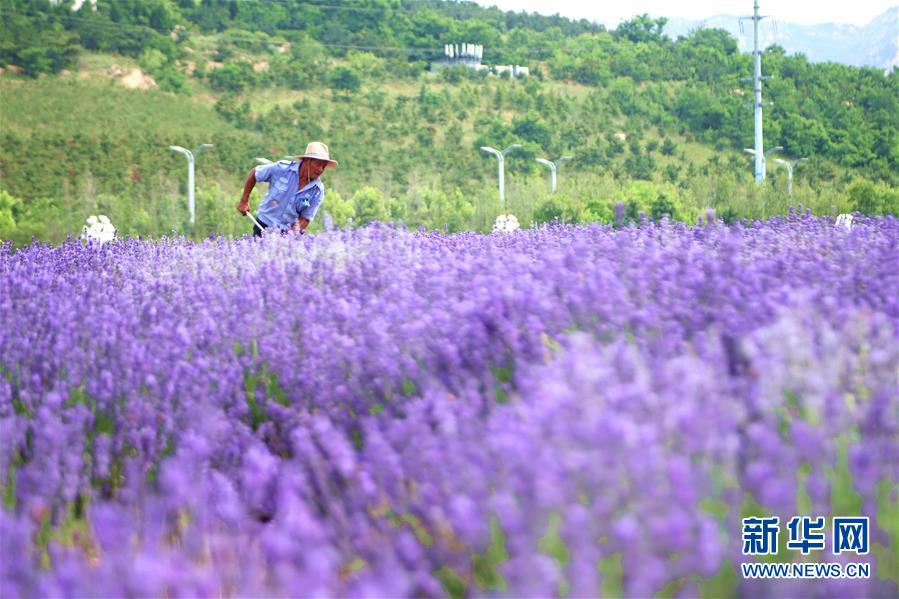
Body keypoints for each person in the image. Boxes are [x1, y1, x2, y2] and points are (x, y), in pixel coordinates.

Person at [236, 141, 338, 236]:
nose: (320, 169)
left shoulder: (317, 191)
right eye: (318, 165)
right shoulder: (282, 169)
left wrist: (289, 237)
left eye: (323, 166)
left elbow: (305, 219)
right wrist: (244, 201)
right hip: (263, 225)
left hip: (285, 234)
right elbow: (255, 173)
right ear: (307, 160)